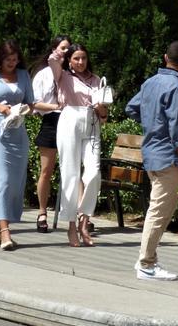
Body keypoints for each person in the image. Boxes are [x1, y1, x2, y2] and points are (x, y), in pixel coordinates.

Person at [0, 40, 52, 250]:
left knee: (14, 183)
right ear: (0, 59)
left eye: (14, 60)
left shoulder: (23, 75)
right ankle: (5, 231)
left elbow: (31, 104)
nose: (12, 64)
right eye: (8, 60)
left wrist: (26, 109)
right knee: (1, 180)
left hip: (18, 133)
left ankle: (1, 226)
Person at [125, 41, 178, 281]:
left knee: (161, 208)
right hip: (167, 155)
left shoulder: (150, 83)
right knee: (159, 211)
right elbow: (176, 129)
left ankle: (148, 260)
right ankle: (146, 263)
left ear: (165, 58)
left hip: (151, 152)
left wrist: (151, 123)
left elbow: (130, 108)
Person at [49, 43, 108, 247]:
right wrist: (61, 50)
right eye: (76, 58)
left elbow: (104, 116)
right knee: (70, 174)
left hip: (91, 122)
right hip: (70, 118)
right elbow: (52, 61)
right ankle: (71, 226)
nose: (81, 62)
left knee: (93, 173)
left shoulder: (97, 80)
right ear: (69, 60)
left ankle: (85, 220)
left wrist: (101, 109)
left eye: (83, 58)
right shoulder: (63, 75)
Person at [30, 35, 70, 232]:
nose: (65, 52)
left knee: (72, 170)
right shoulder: (43, 74)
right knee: (46, 170)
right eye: (62, 48)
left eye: (68, 49)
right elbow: (35, 103)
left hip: (70, 120)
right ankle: (42, 211)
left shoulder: (73, 73)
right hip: (51, 120)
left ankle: (79, 215)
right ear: (54, 49)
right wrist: (55, 106)